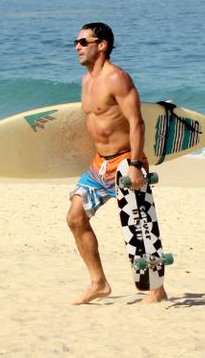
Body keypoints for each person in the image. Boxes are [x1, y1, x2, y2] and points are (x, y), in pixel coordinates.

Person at [66, 22, 167, 305]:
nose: (77, 46)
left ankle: (156, 289)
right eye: (76, 41)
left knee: (140, 226)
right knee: (75, 218)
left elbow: (137, 122)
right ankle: (98, 282)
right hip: (99, 164)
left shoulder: (117, 78)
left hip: (126, 161)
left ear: (102, 45)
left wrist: (136, 164)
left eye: (83, 41)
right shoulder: (86, 80)